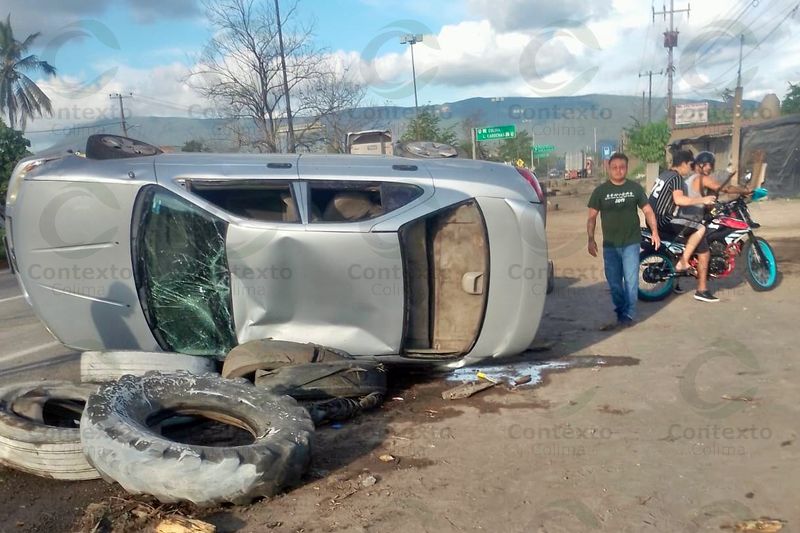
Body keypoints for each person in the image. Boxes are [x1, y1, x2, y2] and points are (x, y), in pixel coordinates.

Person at [587, 152, 660, 328]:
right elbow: (591, 217)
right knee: (614, 283)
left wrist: (655, 232)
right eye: (615, 167)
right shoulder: (600, 192)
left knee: (631, 280)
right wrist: (590, 239)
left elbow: (648, 211)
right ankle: (621, 309)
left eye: (622, 167)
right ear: (609, 169)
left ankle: (628, 314)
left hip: (631, 243)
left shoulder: (635, 188)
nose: (618, 170)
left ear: (626, 168)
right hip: (610, 245)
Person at [648, 150, 718, 302]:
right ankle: (685, 263)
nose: (691, 168)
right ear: (685, 163)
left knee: (683, 237)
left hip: (651, 220)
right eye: (690, 165)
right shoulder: (677, 178)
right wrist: (703, 200)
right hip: (663, 221)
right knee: (700, 228)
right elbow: (679, 200)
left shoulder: (664, 175)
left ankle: (675, 281)